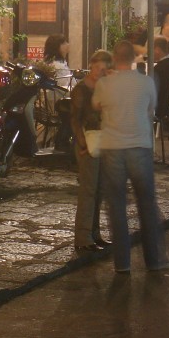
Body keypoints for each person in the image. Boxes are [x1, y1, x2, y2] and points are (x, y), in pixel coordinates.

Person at [92, 40, 169, 275]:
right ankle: (154, 259)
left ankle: (122, 263)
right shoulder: (146, 82)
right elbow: (151, 110)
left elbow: (96, 105)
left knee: (116, 206)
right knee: (146, 205)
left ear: (114, 59)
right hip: (139, 145)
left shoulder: (105, 84)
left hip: (113, 147)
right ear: (132, 59)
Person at [69, 49, 112, 252]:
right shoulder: (81, 90)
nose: (99, 72)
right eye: (97, 68)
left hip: (103, 141)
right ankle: (83, 236)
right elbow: (75, 120)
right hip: (87, 142)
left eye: (103, 69)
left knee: (100, 189)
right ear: (91, 66)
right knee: (88, 189)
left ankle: (94, 233)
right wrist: (82, 144)